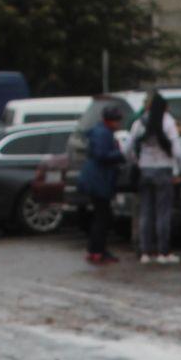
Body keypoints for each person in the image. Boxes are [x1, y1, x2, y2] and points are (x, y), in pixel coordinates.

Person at [126, 90, 181, 265]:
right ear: (165, 107)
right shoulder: (168, 122)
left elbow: (127, 147)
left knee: (146, 212)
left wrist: (136, 161)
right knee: (163, 212)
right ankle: (163, 252)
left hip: (145, 170)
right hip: (164, 170)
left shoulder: (140, 122)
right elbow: (178, 152)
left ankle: (145, 252)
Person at [79, 101, 128, 265]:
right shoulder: (103, 133)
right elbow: (102, 155)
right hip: (100, 180)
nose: (119, 123)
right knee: (103, 218)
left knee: (100, 216)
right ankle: (99, 251)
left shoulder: (100, 131)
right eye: (117, 120)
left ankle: (94, 249)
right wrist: (120, 154)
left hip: (96, 179)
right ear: (110, 120)